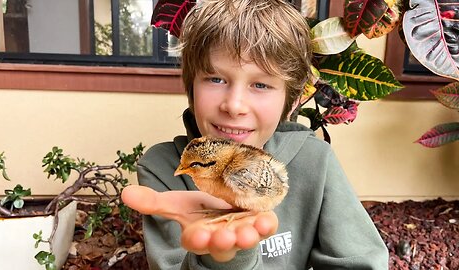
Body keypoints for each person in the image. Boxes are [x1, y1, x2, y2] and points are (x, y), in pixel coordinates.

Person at [121, 0, 389, 269]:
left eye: (260, 84)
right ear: (191, 86)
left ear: (293, 100)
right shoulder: (164, 168)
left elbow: (362, 262)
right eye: (216, 79)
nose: (234, 105)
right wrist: (224, 258)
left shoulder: (314, 161)